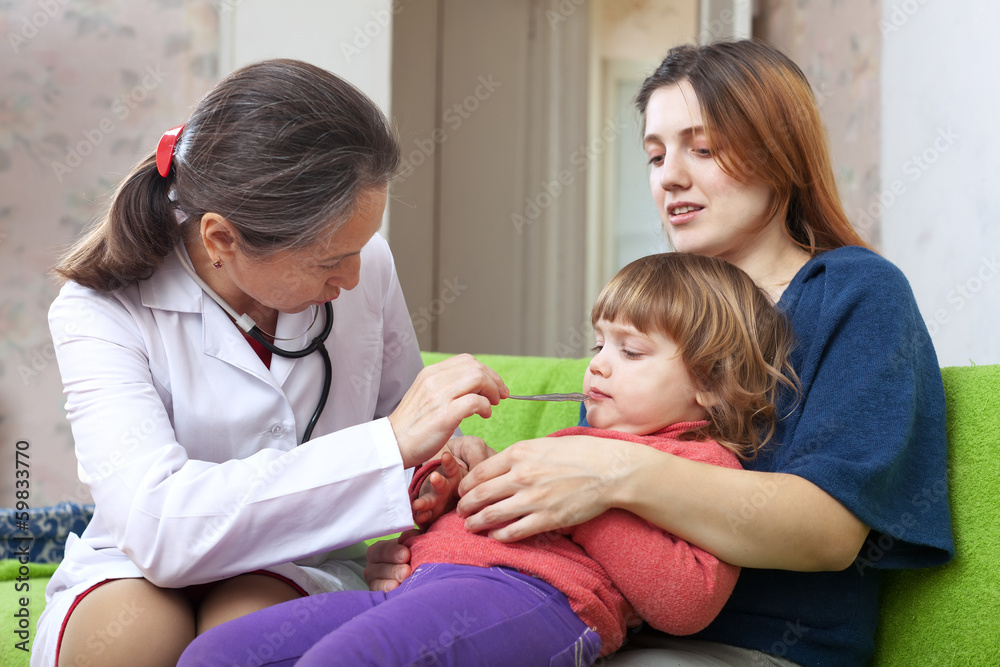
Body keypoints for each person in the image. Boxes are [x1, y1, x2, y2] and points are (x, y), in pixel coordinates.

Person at [366, 40, 955, 666]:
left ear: (781, 153)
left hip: (747, 647)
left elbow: (829, 534)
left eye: (701, 148)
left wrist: (610, 474)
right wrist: (454, 525)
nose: (669, 176)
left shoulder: (857, 294)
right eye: (655, 155)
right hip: (591, 619)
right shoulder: (651, 319)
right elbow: (584, 522)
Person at [33, 59, 507, 667]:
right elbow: (159, 527)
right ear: (221, 240)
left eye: (362, 248)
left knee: (252, 625)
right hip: (136, 565)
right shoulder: (98, 310)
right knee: (130, 636)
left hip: (299, 559)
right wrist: (388, 445)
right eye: (329, 259)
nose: (356, 276)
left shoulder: (367, 268)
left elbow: (408, 434)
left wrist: (439, 467)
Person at [177, 251, 801, 666]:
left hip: (540, 604)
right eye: (598, 343)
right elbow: (460, 524)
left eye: (631, 351)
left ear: (713, 382)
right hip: (426, 588)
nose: (598, 364)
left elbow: (686, 604)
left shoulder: (706, 467)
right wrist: (442, 490)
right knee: (216, 655)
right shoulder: (565, 442)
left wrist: (584, 502)